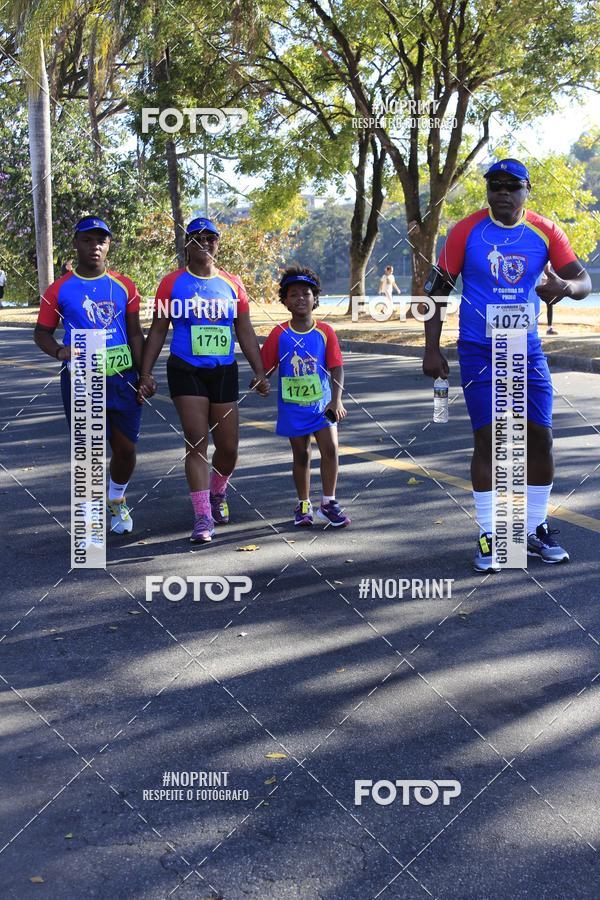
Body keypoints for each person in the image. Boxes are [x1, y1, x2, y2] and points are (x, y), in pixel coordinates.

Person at [422, 158, 591, 572]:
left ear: (526, 190)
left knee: (540, 437)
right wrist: (431, 348)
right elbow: (434, 293)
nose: (502, 192)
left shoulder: (545, 231)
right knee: (490, 440)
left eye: (511, 186)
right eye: (494, 185)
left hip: (527, 347)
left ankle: (533, 528)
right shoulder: (466, 231)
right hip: (479, 348)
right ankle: (491, 534)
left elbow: (584, 282)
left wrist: (564, 287)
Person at [137, 216, 269, 543]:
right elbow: (157, 330)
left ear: (217, 243)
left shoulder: (232, 284)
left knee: (228, 447)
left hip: (223, 370)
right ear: (187, 244)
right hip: (185, 367)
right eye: (197, 238)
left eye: (211, 238)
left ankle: (218, 492)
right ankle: (202, 516)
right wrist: (146, 372)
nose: (205, 243)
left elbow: (245, 330)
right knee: (196, 440)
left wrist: (259, 370)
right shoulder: (171, 283)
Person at [34, 216, 145, 534]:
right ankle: (91, 517)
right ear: (76, 244)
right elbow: (41, 333)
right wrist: (58, 351)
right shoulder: (59, 289)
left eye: (101, 240)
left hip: (123, 376)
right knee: (90, 451)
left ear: (108, 245)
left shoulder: (125, 285)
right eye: (87, 240)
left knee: (125, 449)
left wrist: (145, 373)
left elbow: (135, 334)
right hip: (82, 378)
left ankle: (116, 499)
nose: (95, 246)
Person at [258, 266, 350, 528]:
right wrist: (260, 380)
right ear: (285, 302)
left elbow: (337, 366)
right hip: (292, 407)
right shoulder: (279, 334)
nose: (300, 298)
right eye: (293, 294)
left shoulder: (325, 332)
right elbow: (266, 367)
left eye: (306, 293)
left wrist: (337, 400)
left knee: (330, 449)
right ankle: (303, 504)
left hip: (321, 406)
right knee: (301, 455)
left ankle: (329, 503)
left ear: (315, 299)